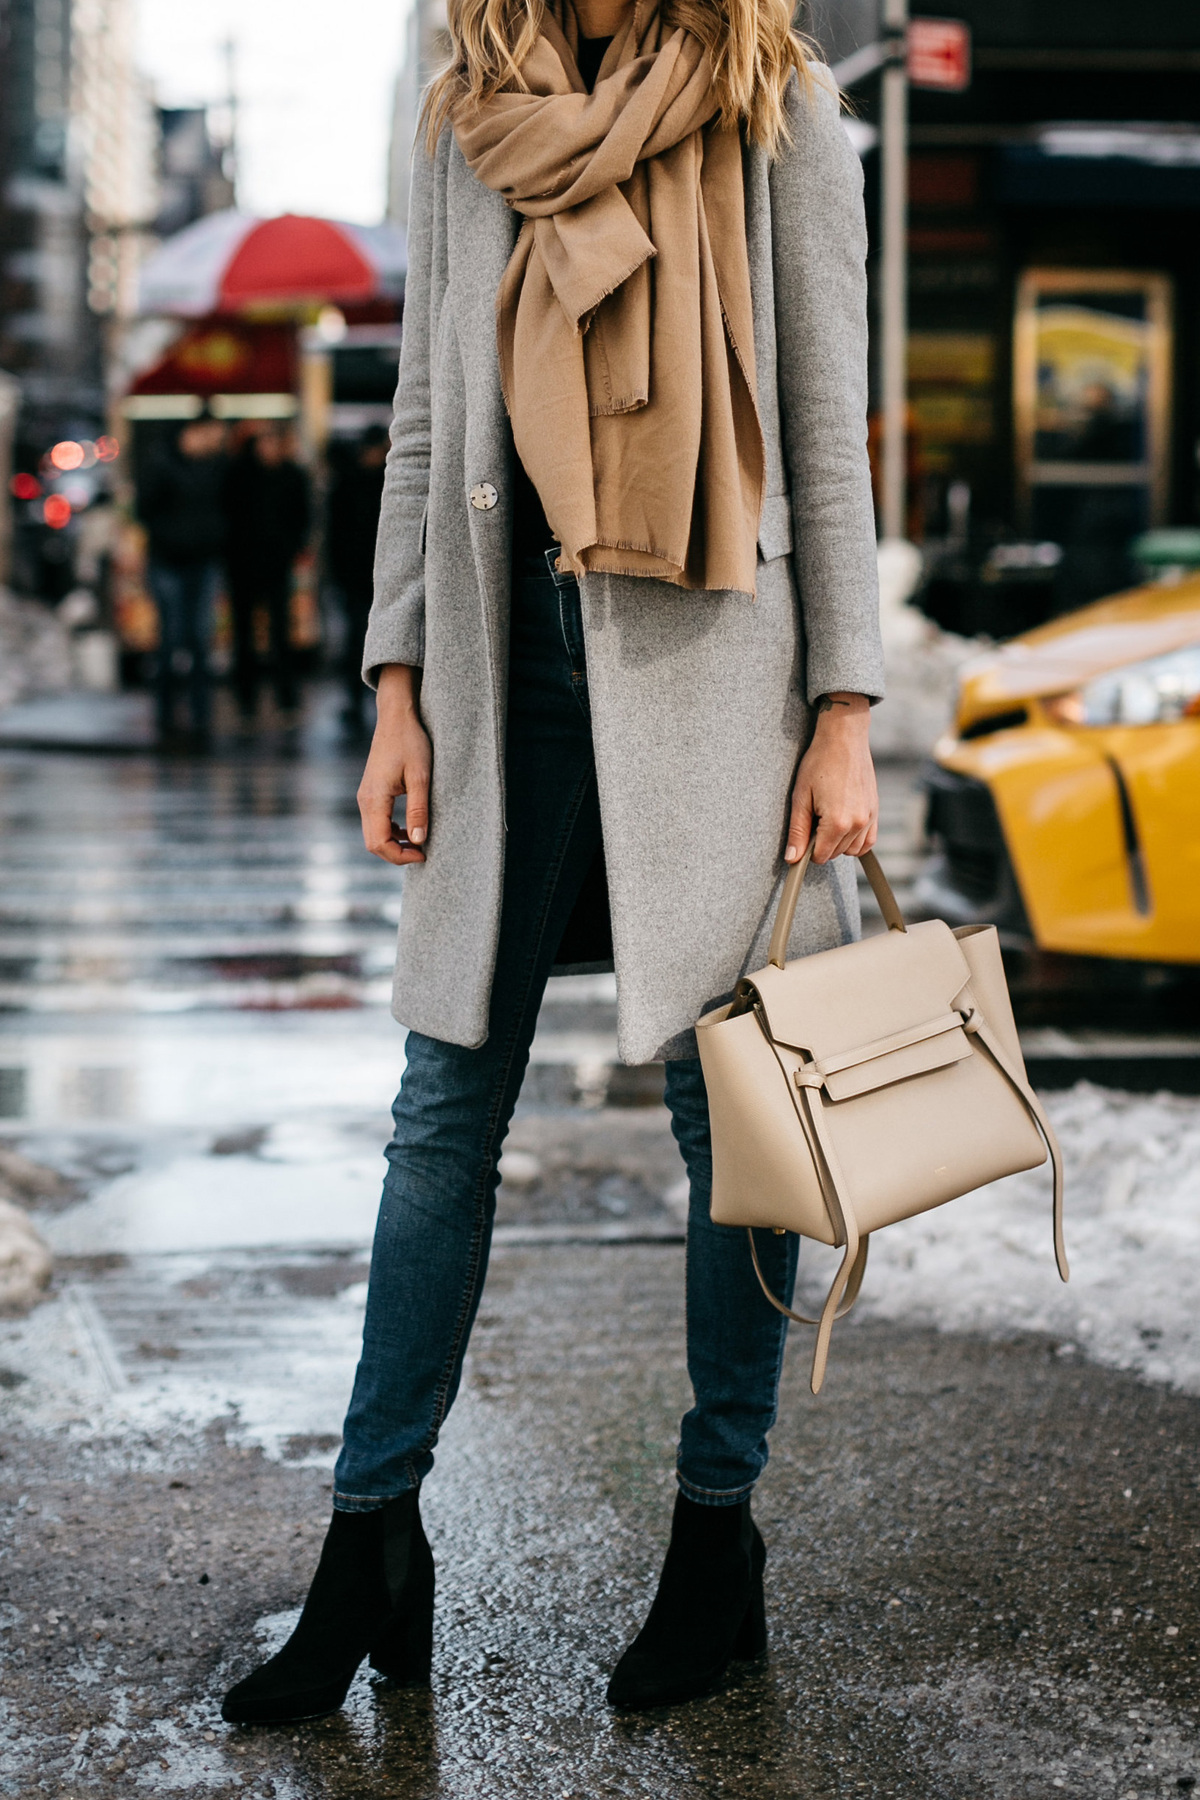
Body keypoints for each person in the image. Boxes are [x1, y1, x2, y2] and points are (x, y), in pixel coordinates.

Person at [222, 0, 883, 1726]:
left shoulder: (777, 108)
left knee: (724, 1120)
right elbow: (427, 430)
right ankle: (370, 1547)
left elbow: (829, 431)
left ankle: (715, 1538)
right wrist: (394, 687)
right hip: (500, 682)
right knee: (444, 1110)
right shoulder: (468, 122)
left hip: (712, 683)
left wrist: (845, 715)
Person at [138, 416, 227, 743]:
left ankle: (200, 716)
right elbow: (145, 510)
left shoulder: (215, 467)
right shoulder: (161, 465)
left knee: (200, 641)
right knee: (171, 638)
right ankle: (166, 716)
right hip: (169, 562)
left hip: (202, 562)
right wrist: (174, 537)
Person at [224, 424, 311, 721]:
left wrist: (292, 548)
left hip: (276, 565)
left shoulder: (292, 475)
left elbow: (303, 517)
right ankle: (246, 700)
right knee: (244, 636)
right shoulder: (239, 476)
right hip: (243, 566)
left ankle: (286, 698)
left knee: (281, 635)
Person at [326, 425, 390, 735]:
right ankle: (360, 698)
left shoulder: (349, 482)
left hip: (369, 575)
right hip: (361, 575)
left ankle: (365, 698)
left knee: (362, 639)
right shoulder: (378, 482)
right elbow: (335, 535)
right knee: (359, 640)